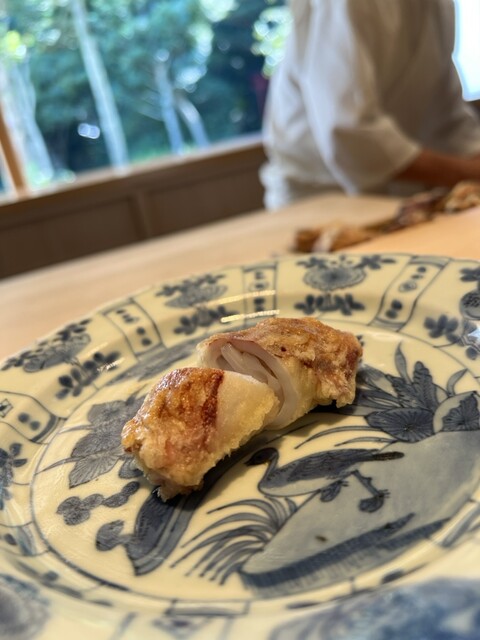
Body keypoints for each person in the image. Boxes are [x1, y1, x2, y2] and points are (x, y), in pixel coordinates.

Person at [261, 0, 480, 210]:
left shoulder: (437, 5)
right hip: (321, 199)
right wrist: (467, 172)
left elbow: (450, 124)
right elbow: (349, 132)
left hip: (398, 200)